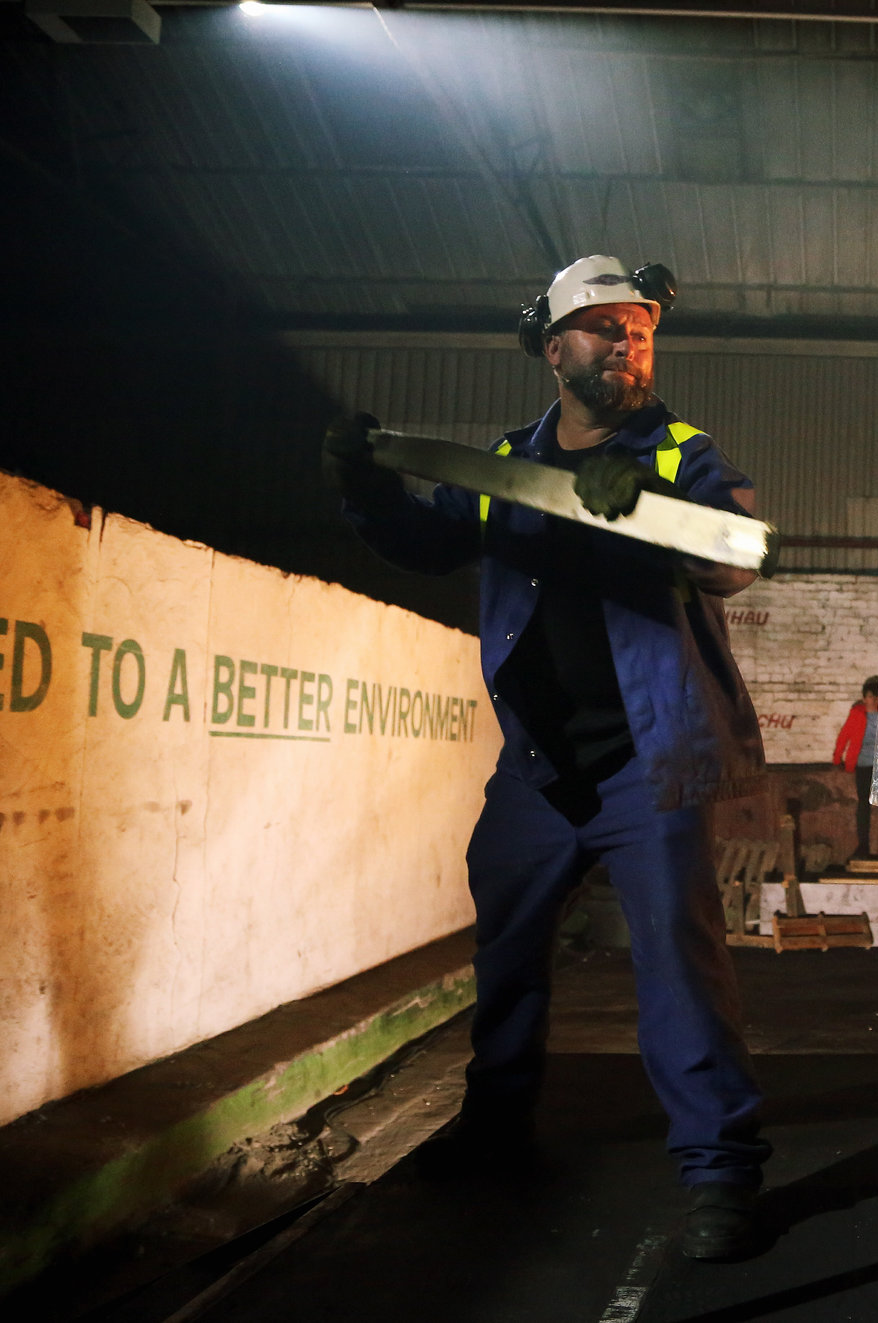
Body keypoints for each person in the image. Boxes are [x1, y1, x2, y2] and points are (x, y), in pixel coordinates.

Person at [321, 255, 768, 1261]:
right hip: (531, 770)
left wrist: (642, 512)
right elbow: (429, 544)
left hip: (643, 769)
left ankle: (720, 1174)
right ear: (554, 346)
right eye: (605, 328)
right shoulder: (506, 462)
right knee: (507, 964)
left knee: (678, 974)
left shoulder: (677, 455)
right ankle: (494, 1135)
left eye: (640, 329)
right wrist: (367, 491)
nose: (628, 344)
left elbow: (738, 555)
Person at [832, 675, 878, 858]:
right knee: (863, 805)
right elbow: (844, 735)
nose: (874, 700)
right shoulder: (856, 714)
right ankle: (863, 846)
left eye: (877, 696)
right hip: (863, 765)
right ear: (864, 699)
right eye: (871, 697)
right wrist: (837, 758)